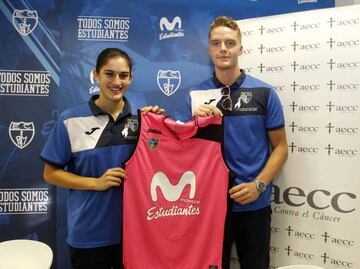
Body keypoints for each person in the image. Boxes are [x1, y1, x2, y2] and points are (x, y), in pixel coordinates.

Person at [40, 47, 163, 269]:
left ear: (131, 79)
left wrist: (156, 124)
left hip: (135, 236)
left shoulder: (141, 122)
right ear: (95, 74)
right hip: (89, 237)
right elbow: (50, 173)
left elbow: (162, 160)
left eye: (123, 76)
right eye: (109, 73)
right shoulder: (70, 120)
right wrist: (95, 183)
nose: (117, 81)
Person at [184, 16, 288, 269]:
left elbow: (281, 148)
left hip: (253, 202)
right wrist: (190, 122)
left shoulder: (264, 93)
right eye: (216, 43)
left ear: (241, 48)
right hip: (208, 205)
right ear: (209, 50)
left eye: (229, 43)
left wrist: (259, 185)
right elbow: (180, 146)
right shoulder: (194, 94)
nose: (223, 49)